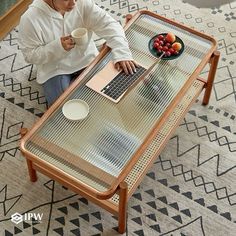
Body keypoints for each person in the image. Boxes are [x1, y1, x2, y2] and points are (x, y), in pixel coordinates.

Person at [18, 0, 137, 107]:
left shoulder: (82, 3)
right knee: (61, 109)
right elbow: (30, 55)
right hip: (54, 69)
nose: (73, 3)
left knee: (112, 91)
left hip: (86, 59)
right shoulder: (30, 19)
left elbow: (109, 25)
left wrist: (123, 53)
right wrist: (57, 47)